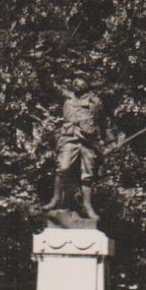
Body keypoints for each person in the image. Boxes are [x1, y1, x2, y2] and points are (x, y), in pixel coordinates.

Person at [49, 71, 110, 221]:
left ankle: (87, 206)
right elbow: (49, 86)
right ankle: (56, 199)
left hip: (88, 141)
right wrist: (41, 69)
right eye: (74, 79)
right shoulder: (67, 96)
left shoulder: (95, 102)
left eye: (80, 79)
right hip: (69, 138)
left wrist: (110, 141)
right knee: (62, 168)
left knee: (87, 175)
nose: (76, 81)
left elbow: (104, 123)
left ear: (87, 84)